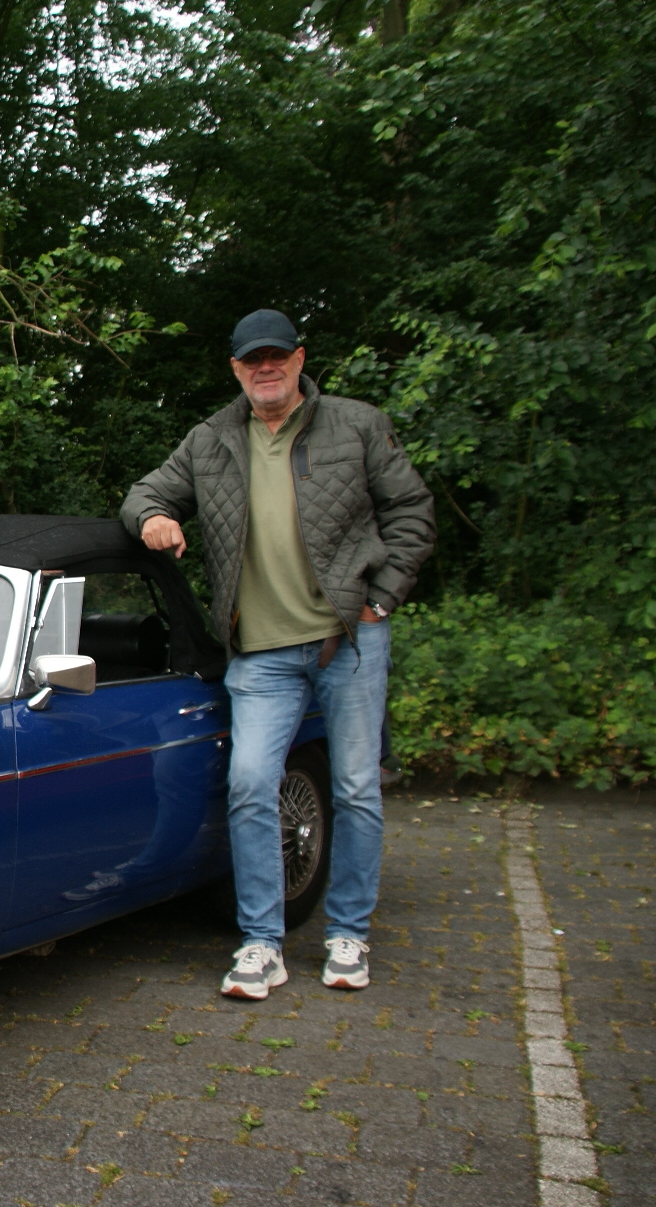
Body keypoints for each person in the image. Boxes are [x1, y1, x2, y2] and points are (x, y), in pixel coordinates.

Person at [121, 310, 434, 999]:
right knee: (250, 785)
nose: (266, 369)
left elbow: (411, 511)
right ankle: (262, 943)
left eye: (276, 357)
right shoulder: (210, 439)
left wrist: (381, 600)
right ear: (236, 369)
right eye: (251, 360)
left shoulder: (355, 425)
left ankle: (348, 933)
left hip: (348, 638)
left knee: (355, 788)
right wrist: (155, 517)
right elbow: (144, 492)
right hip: (260, 651)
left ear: (298, 360)